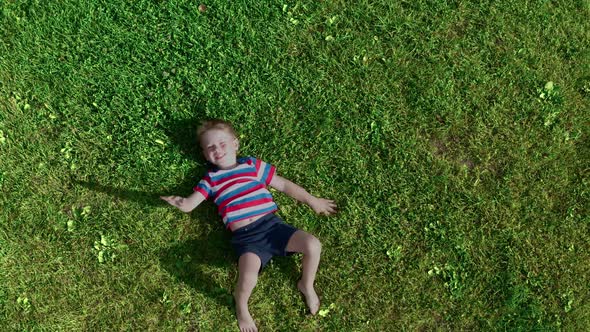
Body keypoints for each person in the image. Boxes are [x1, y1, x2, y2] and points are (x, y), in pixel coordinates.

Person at [161, 119, 337, 332]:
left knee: (313, 245)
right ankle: (241, 306)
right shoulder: (211, 179)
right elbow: (191, 204)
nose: (217, 150)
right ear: (205, 155)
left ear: (235, 144)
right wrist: (180, 202)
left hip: (273, 227)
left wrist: (312, 200)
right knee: (247, 278)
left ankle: (306, 285)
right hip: (247, 239)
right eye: (210, 147)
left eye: (222, 143)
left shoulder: (251, 165)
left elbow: (282, 184)